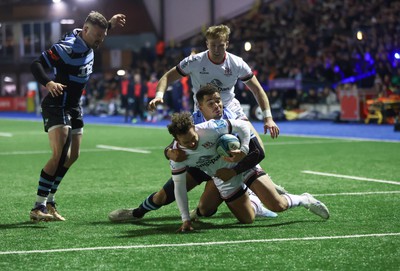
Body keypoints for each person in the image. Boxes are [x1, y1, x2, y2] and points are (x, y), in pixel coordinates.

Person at [109, 86, 329, 226]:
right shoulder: (193, 122)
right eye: (211, 102)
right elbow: (177, 143)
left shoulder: (226, 121)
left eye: (218, 101)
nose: (216, 105)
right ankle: (137, 212)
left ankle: (302, 198)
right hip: (211, 167)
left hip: (241, 165)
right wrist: (168, 152)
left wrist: (236, 161)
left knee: (278, 205)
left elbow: (258, 152)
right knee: (198, 208)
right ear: (200, 106)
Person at [29, 11, 126, 222]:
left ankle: (51, 201)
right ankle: (38, 206)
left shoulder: (90, 39)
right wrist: (49, 83)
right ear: (85, 31)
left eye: (104, 35)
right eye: (97, 36)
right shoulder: (67, 48)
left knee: (73, 156)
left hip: (74, 106)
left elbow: (99, 30)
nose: (101, 40)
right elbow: (36, 64)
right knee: (59, 155)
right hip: (57, 104)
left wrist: (110, 23)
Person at [148, 24, 280, 145]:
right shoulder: (195, 61)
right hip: (204, 112)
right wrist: (159, 95)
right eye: (213, 45)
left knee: (257, 147)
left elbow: (257, 90)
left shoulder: (237, 63)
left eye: (221, 45)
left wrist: (268, 118)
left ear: (227, 44)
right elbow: (166, 77)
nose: (216, 49)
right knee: (190, 149)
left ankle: (252, 171)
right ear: (207, 44)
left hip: (230, 108)